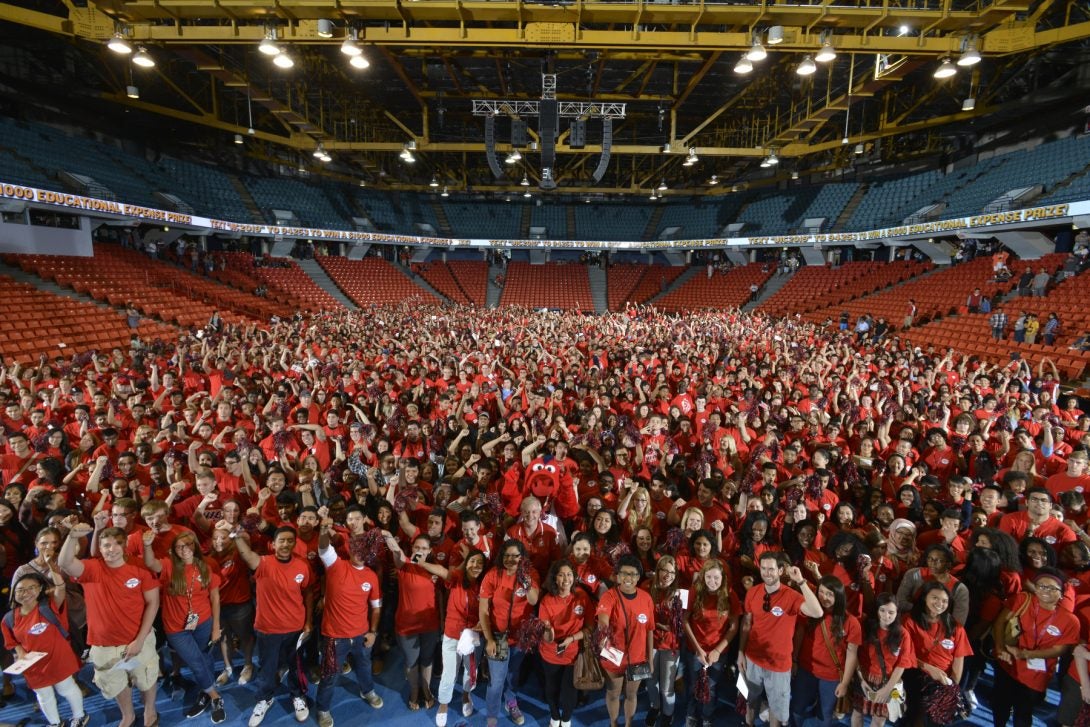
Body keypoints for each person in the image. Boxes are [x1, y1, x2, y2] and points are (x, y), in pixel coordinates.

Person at [58, 522, 160, 727]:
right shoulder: (91, 568)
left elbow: (153, 603)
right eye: (106, 545)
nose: (111, 549)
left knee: (146, 678)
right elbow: (65, 562)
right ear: (100, 547)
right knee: (115, 683)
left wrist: (139, 640)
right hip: (103, 644)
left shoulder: (139, 569)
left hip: (139, 639)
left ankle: (150, 710)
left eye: (116, 544)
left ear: (124, 546)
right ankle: (128, 715)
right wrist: (72, 536)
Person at [229, 523, 313, 727]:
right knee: (267, 668)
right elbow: (247, 555)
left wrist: (309, 622)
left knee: (296, 666)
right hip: (268, 629)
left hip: (295, 628)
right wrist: (235, 535)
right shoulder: (263, 563)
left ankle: (297, 696)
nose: (286, 544)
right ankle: (264, 699)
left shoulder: (302, 566)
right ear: (272, 544)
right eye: (281, 540)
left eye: (290, 541)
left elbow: (308, 592)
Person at [142, 530, 226, 723]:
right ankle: (215, 696)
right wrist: (147, 545)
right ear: (174, 550)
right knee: (196, 661)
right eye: (180, 546)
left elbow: (215, 597)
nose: (185, 549)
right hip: (176, 628)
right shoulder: (168, 565)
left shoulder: (207, 566)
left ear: (195, 546)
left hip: (203, 622)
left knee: (205, 657)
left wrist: (216, 627)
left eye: (188, 545)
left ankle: (205, 692)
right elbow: (149, 563)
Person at [737, 551, 823, 727]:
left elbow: (817, 612)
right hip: (752, 659)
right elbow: (746, 625)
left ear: (781, 570)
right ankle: (748, 724)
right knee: (750, 699)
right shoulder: (752, 593)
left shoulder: (791, 596)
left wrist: (801, 581)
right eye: (763, 568)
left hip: (779, 665)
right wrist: (740, 652)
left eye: (771, 569)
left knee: (777, 709)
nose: (767, 572)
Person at [313, 516, 384, 727]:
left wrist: (373, 632)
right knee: (330, 676)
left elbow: (376, 607)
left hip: (362, 635)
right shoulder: (336, 565)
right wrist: (324, 529)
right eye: (357, 549)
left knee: (364, 667)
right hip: (335, 637)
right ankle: (323, 709)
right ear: (351, 549)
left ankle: (367, 690)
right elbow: (324, 548)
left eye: (365, 551)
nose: (360, 554)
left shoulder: (371, 576)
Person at [991, 567, 1079, 727]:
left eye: (1052, 588)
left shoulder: (1070, 620)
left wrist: (1026, 654)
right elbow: (999, 623)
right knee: (1000, 705)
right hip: (1007, 663)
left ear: (1061, 593)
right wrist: (1000, 647)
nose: (1045, 591)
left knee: (1023, 713)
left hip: (1036, 674)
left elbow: (1061, 650)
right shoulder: (1022, 599)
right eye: (1041, 586)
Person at [2, 569, 88, 727]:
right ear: (14, 593)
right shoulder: (9, 618)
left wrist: (52, 567)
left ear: (40, 589)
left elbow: (60, 588)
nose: (25, 593)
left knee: (66, 689)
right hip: (34, 666)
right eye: (20, 590)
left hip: (58, 659)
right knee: (43, 695)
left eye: (31, 588)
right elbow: (12, 642)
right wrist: (21, 654)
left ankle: (79, 716)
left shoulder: (50, 606)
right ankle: (55, 723)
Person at [480, 539, 540, 727]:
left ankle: (511, 702)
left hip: (522, 637)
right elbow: (483, 610)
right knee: (497, 680)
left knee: (513, 674)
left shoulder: (530, 574)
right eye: (507, 555)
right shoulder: (493, 575)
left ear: (522, 558)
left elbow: (533, 600)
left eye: (515, 555)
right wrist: (489, 639)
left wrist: (526, 580)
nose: (511, 559)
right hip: (499, 636)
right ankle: (492, 716)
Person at [382, 531, 441, 711]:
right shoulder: (405, 564)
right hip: (407, 625)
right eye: (417, 547)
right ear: (412, 548)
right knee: (411, 661)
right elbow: (396, 551)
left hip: (430, 624)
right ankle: (415, 690)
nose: (420, 551)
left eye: (424, 548)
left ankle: (427, 688)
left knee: (427, 659)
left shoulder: (434, 569)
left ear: (430, 551)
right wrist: (386, 534)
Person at [791, 576, 861, 727]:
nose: (824, 597)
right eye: (821, 592)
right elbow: (799, 635)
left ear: (839, 596)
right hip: (806, 670)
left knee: (825, 714)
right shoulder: (809, 612)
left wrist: (845, 683)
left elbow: (852, 654)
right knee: (797, 708)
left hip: (831, 677)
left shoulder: (851, 622)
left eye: (829, 594)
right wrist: (794, 660)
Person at [596, 554, 655, 727]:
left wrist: (650, 659)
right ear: (617, 576)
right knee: (613, 693)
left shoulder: (646, 599)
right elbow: (603, 619)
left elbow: (650, 630)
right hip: (613, 655)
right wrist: (603, 635)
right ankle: (613, 723)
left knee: (631, 694)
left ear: (638, 577)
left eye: (633, 574)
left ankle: (628, 723)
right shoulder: (609, 596)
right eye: (624, 573)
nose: (628, 578)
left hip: (637, 658)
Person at [903, 581, 972, 726]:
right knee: (917, 712)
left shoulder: (956, 627)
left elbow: (958, 663)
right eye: (935, 598)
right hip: (915, 672)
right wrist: (928, 668)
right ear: (924, 598)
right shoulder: (909, 621)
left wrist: (950, 687)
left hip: (943, 681)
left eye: (945, 600)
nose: (940, 603)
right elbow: (903, 655)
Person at [682, 560, 739, 727]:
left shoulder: (730, 595)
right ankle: (691, 714)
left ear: (723, 578)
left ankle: (707, 717)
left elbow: (734, 626)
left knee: (711, 687)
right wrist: (699, 650)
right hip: (695, 650)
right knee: (693, 684)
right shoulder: (694, 591)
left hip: (718, 652)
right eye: (708, 577)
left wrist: (717, 651)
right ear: (702, 577)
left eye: (716, 577)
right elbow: (685, 621)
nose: (712, 581)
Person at [435, 548, 487, 727]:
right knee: (449, 673)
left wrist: (481, 624)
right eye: (472, 561)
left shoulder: (485, 585)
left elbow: (488, 611)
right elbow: (442, 572)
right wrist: (420, 562)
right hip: (452, 633)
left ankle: (466, 696)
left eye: (480, 563)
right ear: (466, 564)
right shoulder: (456, 578)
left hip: (473, 636)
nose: (476, 566)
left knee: (470, 671)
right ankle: (443, 705)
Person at [538, 559, 592, 727]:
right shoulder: (547, 600)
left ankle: (566, 719)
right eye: (561, 575)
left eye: (569, 574)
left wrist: (572, 638)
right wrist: (548, 631)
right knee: (551, 688)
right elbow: (546, 637)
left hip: (573, 654)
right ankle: (554, 717)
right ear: (555, 578)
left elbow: (591, 627)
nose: (566, 579)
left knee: (570, 691)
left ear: (574, 577)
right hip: (550, 653)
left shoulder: (582, 596)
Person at [851, 593, 912, 727]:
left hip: (886, 682)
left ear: (897, 613)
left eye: (891, 612)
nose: (886, 616)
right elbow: (854, 654)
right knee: (857, 713)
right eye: (882, 610)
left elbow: (902, 664)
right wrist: (861, 680)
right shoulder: (865, 626)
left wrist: (887, 689)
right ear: (877, 610)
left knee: (879, 720)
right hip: (864, 678)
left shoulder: (903, 634)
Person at [645, 555, 684, 727]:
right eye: (664, 571)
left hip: (671, 645)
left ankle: (668, 714)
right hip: (650, 642)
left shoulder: (680, 594)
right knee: (651, 682)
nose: (667, 575)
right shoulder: (646, 588)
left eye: (672, 572)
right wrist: (660, 624)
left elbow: (683, 624)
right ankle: (655, 707)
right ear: (657, 571)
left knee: (667, 686)